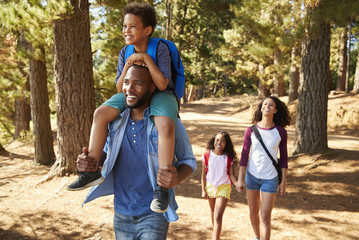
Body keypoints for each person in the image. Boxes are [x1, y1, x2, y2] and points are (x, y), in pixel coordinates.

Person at [67, 2, 179, 214]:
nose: (126, 31)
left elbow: (163, 84)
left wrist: (145, 58)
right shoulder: (124, 51)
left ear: (147, 30)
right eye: (124, 26)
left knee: (164, 125)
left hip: (161, 94)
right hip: (132, 92)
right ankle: (91, 169)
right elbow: (120, 87)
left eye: (132, 26)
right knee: (100, 113)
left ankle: (162, 187)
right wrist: (129, 63)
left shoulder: (160, 48)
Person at [78, 64, 196, 239]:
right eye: (126, 82)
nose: (129, 88)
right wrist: (88, 163)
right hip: (121, 213)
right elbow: (105, 153)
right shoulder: (115, 120)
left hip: (154, 214)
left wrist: (176, 178)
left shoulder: (168, 122)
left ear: (151, 88)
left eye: (138, 83)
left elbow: (188, 161)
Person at [235, 96, 290, 240]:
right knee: (253, 211)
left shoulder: (280, 132)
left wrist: (283, 182)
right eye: (265, 104)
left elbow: (284, 158)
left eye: (271, 105)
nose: (267, 106)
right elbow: (244, 156)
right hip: (251, 176)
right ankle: (257, 236)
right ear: (261, 108)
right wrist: (240, 179)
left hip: (270, 178)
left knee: (265, 216)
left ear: (276, 110)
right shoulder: (251, 130)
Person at [201, 131, 238, 240]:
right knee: (213, 212)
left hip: (224, 187)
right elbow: (203, 174)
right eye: (217, 140)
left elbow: (232, 175)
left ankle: (215, 237)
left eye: (222, 141)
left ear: (226, 144)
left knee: (218, 215)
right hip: (210, 186)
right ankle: (216, 231)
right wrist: (203, 190)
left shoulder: (229, 158)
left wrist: (236, 184)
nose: (219, 143)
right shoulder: (207, 155)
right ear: (213, 141)